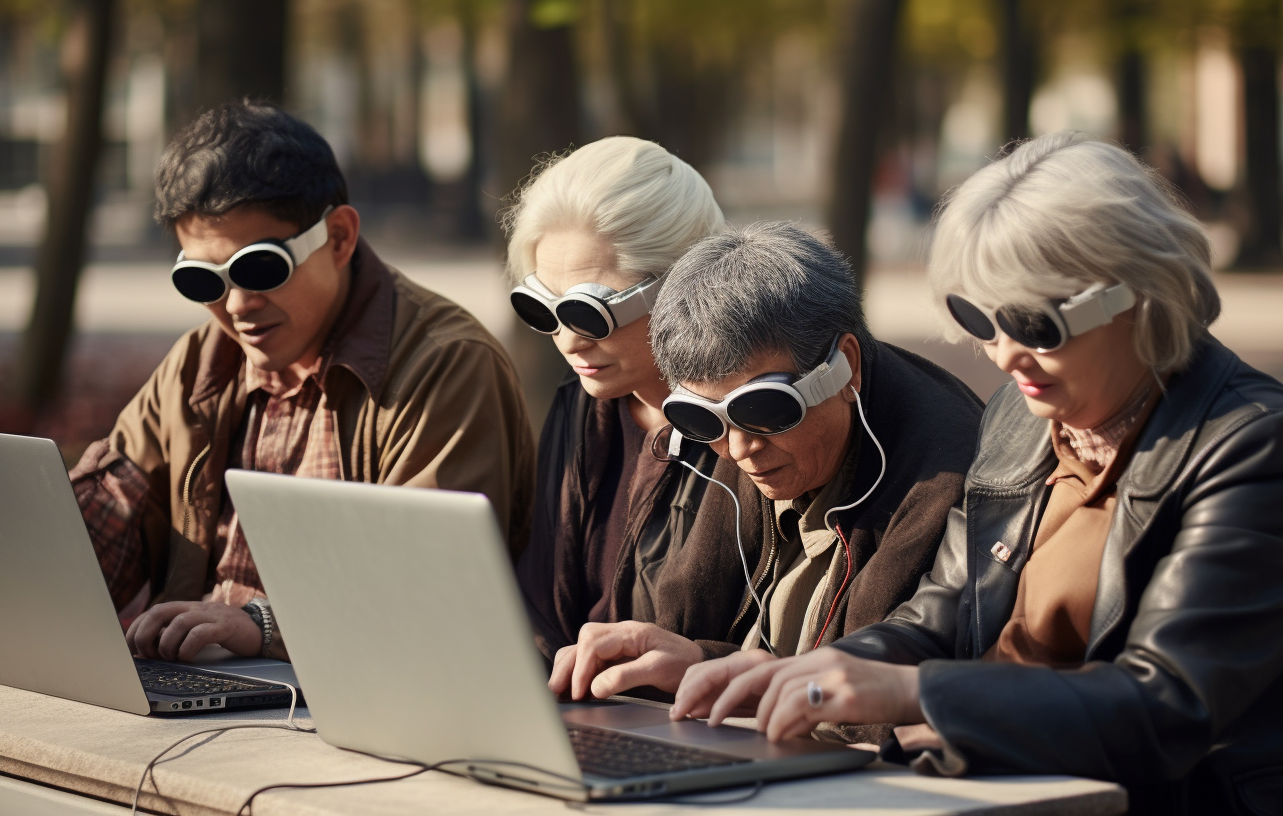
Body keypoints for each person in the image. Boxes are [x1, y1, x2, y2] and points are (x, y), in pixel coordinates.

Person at [673, 133, 1283, 813]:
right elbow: (943, 613)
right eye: (978, 318)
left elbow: (1166, 708)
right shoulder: (1025, 415)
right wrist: (816, 673)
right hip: (1022, 781)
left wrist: (914, 695)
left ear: (1138, 295)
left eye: (1034, 325)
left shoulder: (1260, 447)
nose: (1004, 356)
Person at [69, 101, 534, 664]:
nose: (236, 305)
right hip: (199, 697)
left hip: (356, 705)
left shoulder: (446, 364)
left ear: (338, 238)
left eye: (260, 267)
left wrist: (259, 626)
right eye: (202, 279)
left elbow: (426, 589)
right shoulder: (198, 364)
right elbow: (93, 546)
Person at [547, 222, 984, 738]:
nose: (738, 450)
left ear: (846, 367)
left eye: (765, 408)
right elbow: (696, 627)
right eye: (702, 418)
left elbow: (859, 699)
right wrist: (691, 660)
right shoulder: (749, 433)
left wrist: (718, 674)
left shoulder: (945, 478)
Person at [509, 136, 727, 663]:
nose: (567, 340)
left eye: (590, 312)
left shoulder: (753, 425)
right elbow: (540, 612)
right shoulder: (582, 407)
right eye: (543, 308)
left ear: (683, 284)